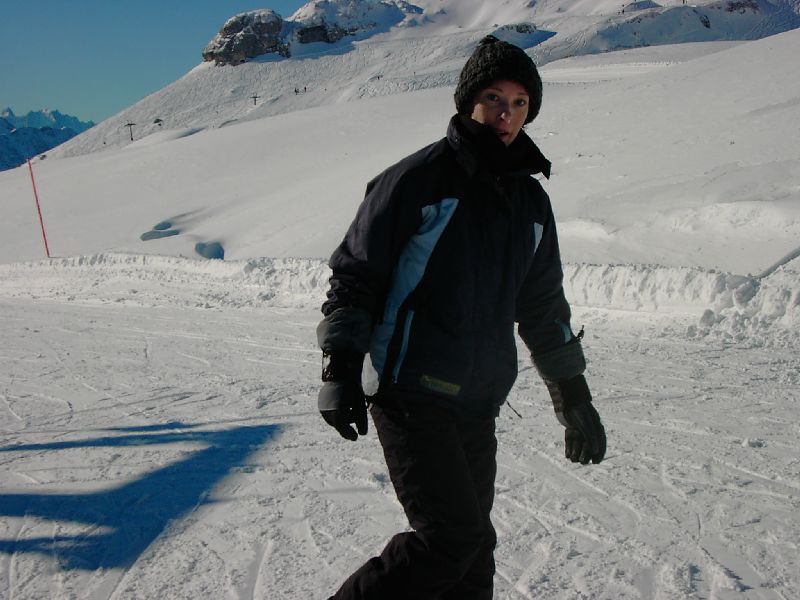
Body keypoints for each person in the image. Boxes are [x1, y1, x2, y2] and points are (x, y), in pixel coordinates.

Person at [315, 35, 607, 600]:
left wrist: (573, 395)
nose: (505, 115)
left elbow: (542, 307)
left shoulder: (530, 202)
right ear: (468, 100)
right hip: (409, 392)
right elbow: (356, 275)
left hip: (476, 400)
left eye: (520, 103)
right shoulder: (419, 181)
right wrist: (340, 368)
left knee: (472, 553)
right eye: (494, 98)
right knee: (449, 540)